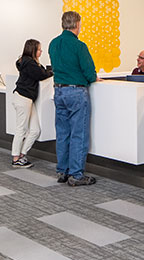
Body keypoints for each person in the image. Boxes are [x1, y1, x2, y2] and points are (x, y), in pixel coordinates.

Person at [48, 11, 98, 186]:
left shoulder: (53, 44)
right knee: (79, 133)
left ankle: (63, 170)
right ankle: (76, 174)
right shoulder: (79, 46)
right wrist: (92, 78)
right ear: (77, 24)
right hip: (76, 92)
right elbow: (89, 73)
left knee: (62, 133)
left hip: (59, 91)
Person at [11, 39, 53, 168]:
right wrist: (52, 72)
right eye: (39, 49)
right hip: (23, 98)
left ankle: (22, 155)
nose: (41, 52)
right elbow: (41, 75)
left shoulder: (26, 62)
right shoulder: (29, 63)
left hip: (27, 99)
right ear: (33, 50)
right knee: (21, 129)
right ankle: (15, 158)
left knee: (35, 130)